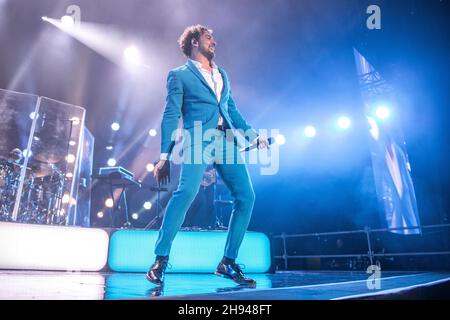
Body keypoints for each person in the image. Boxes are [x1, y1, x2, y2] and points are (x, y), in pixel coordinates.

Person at [146, 25, 269, 286]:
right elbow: (171, 114)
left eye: (213, 37)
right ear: (193, 42)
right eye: (208, 37)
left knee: (246, 196)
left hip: (225, 140)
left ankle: (228, 262)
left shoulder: (222, 74)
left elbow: (232, 110)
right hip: (196, 137)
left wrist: (253, 135)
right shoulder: (178, 75)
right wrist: (164, 156)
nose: (214, 41)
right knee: (187, 192)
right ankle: (160, 259)